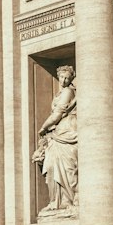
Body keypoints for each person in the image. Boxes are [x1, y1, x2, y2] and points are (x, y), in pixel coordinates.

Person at [33, 66, 78, 213]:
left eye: (67, 78)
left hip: (67, 131)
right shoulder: (60, 93)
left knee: (67, 167)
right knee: (52, 166)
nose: (64, 80)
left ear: (71, 79)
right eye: (61, 77)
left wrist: (43, 127)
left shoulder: (68, 92)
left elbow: (57, 114)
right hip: (57, 133)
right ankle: (55, 201)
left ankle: (67, 200)